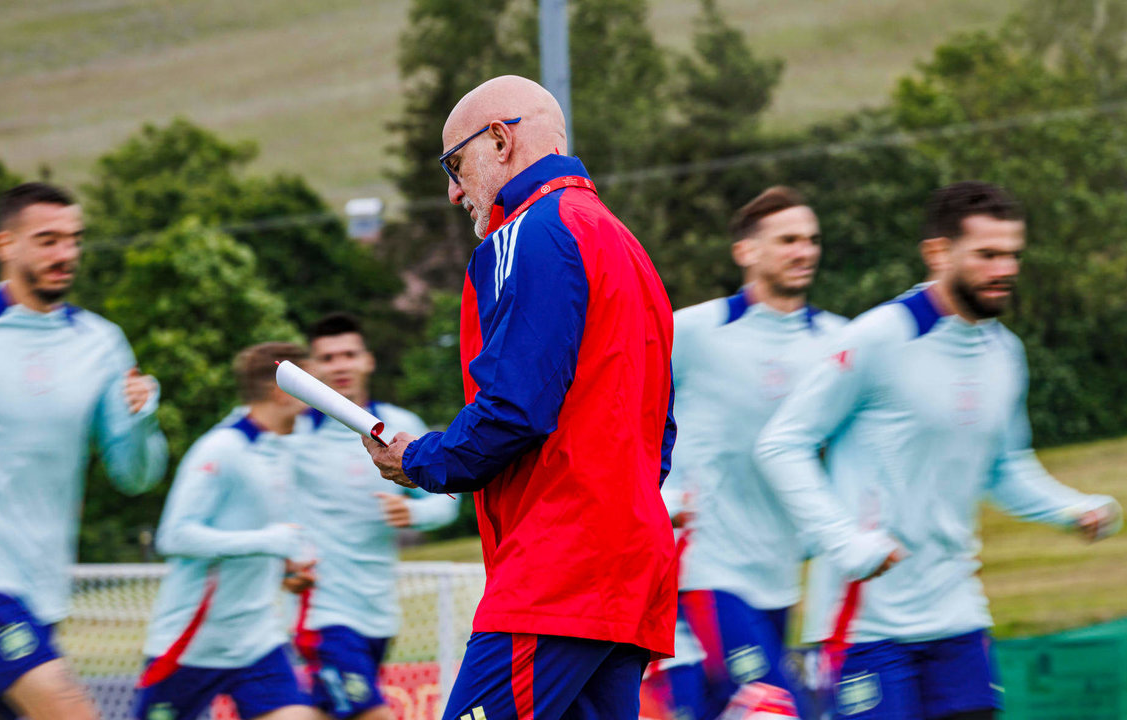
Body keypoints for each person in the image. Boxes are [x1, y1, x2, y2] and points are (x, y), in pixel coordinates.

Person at [363, 74, 677, 720]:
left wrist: (419, 458)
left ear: (500, 141)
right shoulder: (624, 244)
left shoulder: (529, 231)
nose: (453, 192)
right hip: (626, 567)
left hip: (559, 572)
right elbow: (658, 430)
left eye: (455, 165)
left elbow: (514, 408)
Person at [755, 181, 1121, 720]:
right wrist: (843, 541)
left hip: (958, 616)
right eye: (988, 255)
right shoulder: (879, 337)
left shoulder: (1005, 352)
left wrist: (1072, 508)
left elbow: (1004, 468)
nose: (1005, 269)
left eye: (1013, 254)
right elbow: (782, 443)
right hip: (864, 627)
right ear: (938, 253)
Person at [0, 182, 168, 720]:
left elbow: (135, 476)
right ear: (5, 244)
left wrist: (143, 417)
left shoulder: (101, 343)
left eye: (73, 240)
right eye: (47, 240)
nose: (65, 254)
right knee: (72, 712)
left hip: (45, 586)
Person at [649, 187, 845, 720]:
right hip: (705, 568)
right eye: (787, 240)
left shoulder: (839, 343)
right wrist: (658, 495)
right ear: (746, 251)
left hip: (782, 575)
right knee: (775, 708)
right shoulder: (692, 331)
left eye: (811, 240)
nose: (804, 251)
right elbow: (623, 411)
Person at [135, 343, 316, 720]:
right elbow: (174, 536)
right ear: (280, 389)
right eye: (308, 382)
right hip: (191, 646)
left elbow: (263, 536)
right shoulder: (220, 448)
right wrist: (270, 541)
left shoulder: (286, 448)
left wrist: (288, 569)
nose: (319, 393)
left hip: (259, 642)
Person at [291, 312, 458, 720]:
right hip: (322, 614)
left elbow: (449, 499)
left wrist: (414, 513)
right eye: (328, 358)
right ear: (312, 369)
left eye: (349, 354)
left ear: (368, 360)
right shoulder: (290, 434)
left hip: (379, 613)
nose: (341, 365)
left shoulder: (403, 427)